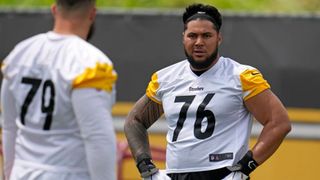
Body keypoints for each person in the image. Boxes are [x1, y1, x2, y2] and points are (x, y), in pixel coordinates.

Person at [124, 3, 291, 180]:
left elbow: (279, 122)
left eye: (207, 36)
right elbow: (135, 121)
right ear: (183, 38)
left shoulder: (240, 76)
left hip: (222, 173)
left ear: (219, 38)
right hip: (176, 175)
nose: (199, 42)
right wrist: (145, 164)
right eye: (192, 36)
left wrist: (246, 166)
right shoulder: (166, 78)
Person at [1, 0, 117, 179]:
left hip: (22, 173)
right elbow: (98, 139)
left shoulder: (20, 54)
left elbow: (9, 127)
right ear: (92, 14)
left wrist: (9, 175)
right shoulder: (90, 63)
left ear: (54, 10)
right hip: (68, 174)